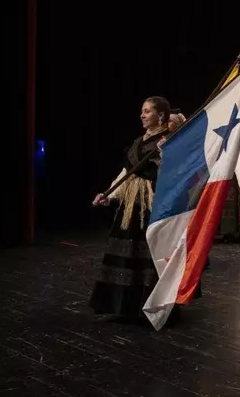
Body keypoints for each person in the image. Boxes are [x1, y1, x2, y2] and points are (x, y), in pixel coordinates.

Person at [90, 96, 172, 322]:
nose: (142, 115)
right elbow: (127, 173)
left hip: (154, 204)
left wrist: (166, 153)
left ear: (161, 115)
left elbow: (175, 172)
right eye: (142, 111)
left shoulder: (170, 140)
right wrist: (108, 195)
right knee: (128, 252)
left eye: (147, 111)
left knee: (150, 254)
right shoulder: (138, 142)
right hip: (132, 204)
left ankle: (154, 307)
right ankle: (125, 305)